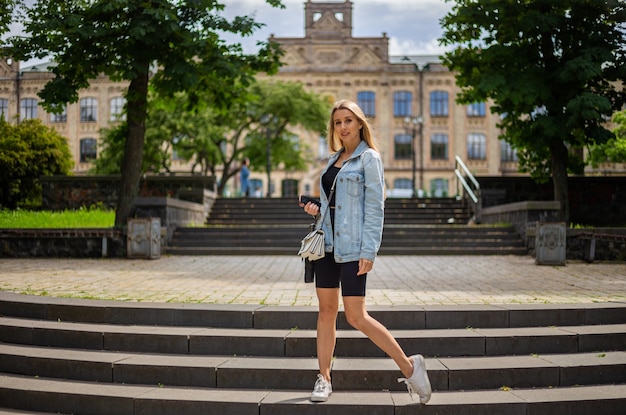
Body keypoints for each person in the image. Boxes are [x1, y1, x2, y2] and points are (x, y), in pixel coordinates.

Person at [299, 99, 431, 403]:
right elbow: (333, 207)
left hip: (354, 247)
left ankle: (410, 367)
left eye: (348, 120)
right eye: (337, 122)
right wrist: (315, 210)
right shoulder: (333, 160)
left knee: (356, 316)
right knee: (326, 312)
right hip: (327, 247)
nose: (343, 127)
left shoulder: (369, 159)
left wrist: (369, 250)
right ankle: (324, 378)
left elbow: (375, 209)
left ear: (360, 123)